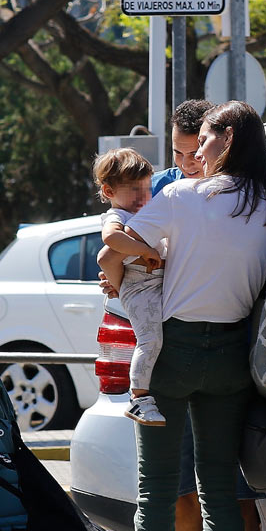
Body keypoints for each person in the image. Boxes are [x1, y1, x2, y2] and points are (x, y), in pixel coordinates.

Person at [110, 101, 266, 531]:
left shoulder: (181, 197)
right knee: (220, 495)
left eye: (206, 136)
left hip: (173, 352)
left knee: (156, 495)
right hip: (236, 357)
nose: (197, 148)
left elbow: (121, 241)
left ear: (228, 138)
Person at [93, 148, 166, 426]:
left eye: (146, 189)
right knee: (150, 340)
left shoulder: (141, 213)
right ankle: (139, 398)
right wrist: (145, 250)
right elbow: (111, 239)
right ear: (109, 192)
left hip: (151, 284)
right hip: (139, 287)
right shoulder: (117, 217)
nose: (143, 197)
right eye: (135, 190)